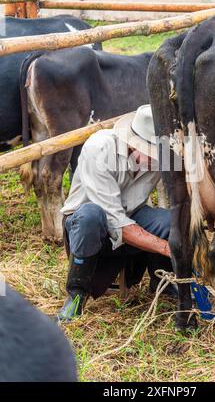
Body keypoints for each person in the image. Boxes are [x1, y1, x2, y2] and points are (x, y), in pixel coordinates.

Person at [57, 105, 176, 321]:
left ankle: (163, 283)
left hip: (132, 216)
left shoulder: (160, 156)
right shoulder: (99, 148)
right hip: (89, 226)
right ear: (133, 142)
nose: (156, 159)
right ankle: (77, 294)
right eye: (150, 151)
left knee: (169, 222)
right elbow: (114, 221)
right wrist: (167, 248)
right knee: (91, 216)